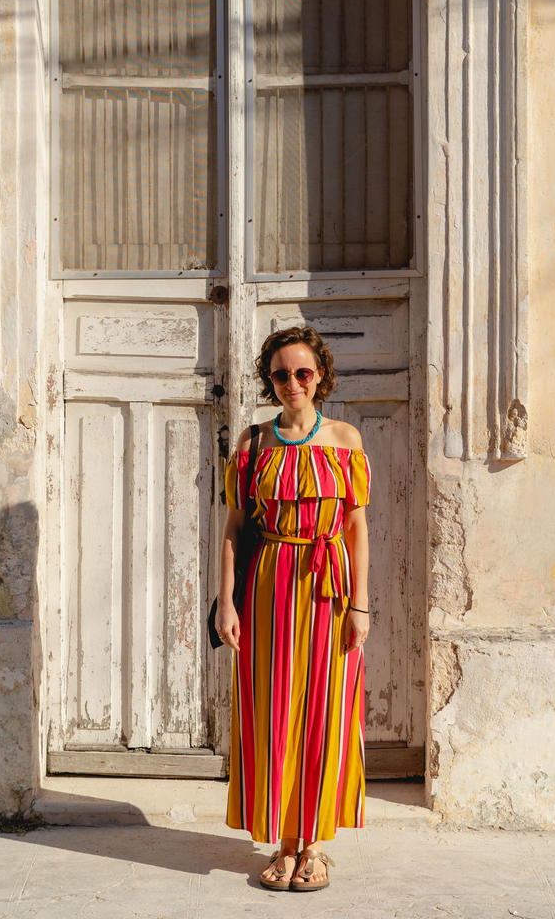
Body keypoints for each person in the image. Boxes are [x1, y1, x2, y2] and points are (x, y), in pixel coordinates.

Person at [215, 325, 371, 892]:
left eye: (302, 372)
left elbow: (356, 529)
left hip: (330, 591)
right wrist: (226, 603)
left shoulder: (346, 440)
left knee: (325, 712)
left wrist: (362, 606)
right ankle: (283, 843)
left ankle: (314, 846)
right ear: (269, 380)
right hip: (268, 587)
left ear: (321, 375)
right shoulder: (254, 444)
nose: (292, 383)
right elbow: (233, 529)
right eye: (280, 374)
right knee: (273, 710)